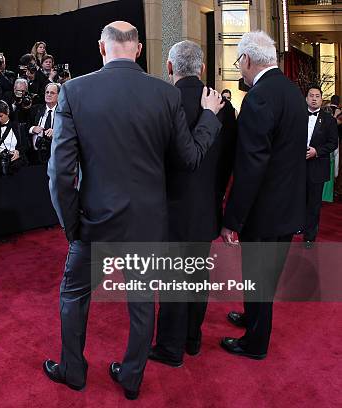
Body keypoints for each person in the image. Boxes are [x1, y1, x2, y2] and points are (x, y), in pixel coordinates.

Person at [44, 21, 223, 400]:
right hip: (147, 221)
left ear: (102, 48)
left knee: (74, 296)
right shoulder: (164, 94)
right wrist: (209, 117)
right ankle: (131, 377)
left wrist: (72, 225)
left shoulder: (74, 91)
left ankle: (73, 371)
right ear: (139, 50)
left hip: (93, 220)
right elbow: (189, 158)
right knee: (142, 304)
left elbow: (59, 174)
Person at [149, 40, 237, 367]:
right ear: (201, 68)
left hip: (168, 208)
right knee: (198, 277)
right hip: (205, 208)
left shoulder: (160, 103)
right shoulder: (223, 107)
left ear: (170, 68)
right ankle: (192, 339)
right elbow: (230, 162)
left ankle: (170, 348)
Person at [220, 31, 307, 359]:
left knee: (259, 278)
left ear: (246, 59)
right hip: (287, 207)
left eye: (238, 62)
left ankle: (254, 344)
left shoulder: (259, 97)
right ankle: (252, 318)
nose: (239, 69)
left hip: (264, 211)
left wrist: (232, 219)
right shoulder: (292, 92)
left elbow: (250, 168)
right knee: (262, 277)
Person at [304, 86, 338, 247]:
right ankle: (297, 226)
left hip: (317, 165)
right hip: (298, 166)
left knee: (314, 203)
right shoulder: (298, 116)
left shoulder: (329, 120)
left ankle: (310, 236)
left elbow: (333, 143)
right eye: (311, 95)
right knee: (298, 199)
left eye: (317, 96)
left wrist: (316, 151)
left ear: (321, 99)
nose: (314, 98)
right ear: (306, 98)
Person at [0, 100, 27, 173]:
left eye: (1, 116)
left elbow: (25, 145)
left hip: (17, 166)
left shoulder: (18, 127)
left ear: (7, 112)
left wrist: (19, 152)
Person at [28, 82, 59, 164]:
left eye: (52, 93)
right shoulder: (35, 109)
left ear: (59, 96)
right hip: (36, 155)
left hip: (56, 154)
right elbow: (25, 126)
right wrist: (33, 129)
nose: (48, 95)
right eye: (47, 92)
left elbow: (69, 130)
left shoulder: (63, 112)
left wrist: (56, 132)